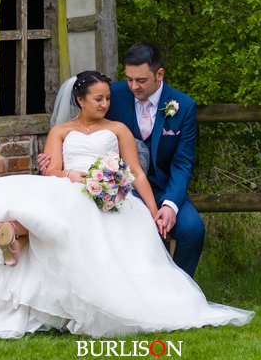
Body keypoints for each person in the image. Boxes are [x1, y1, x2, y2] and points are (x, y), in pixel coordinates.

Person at [0, 70, 252, 339]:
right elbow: (52, 171)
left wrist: (154, 209)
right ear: (79, 100)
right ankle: (11, 234)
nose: (106, 104)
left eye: (108, 98)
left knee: (65, 215)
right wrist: (72, 177)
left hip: (106, 197)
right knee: (40, 201)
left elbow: (135, 172)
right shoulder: (60, 131)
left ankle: (12, 235)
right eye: (98, 99)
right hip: (69, 185)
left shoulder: (118, 130)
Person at [36, 42, 204, 278]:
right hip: (118, 187)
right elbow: (84, 122)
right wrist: (53, 164)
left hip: (164, 187)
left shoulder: (183, 106)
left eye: (141, 80)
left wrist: (168, 206)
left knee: (193, 229)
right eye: (129, 79)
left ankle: (178, 287)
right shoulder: (109, 94)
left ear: (159, 74)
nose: (133, 86)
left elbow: (183, 163)